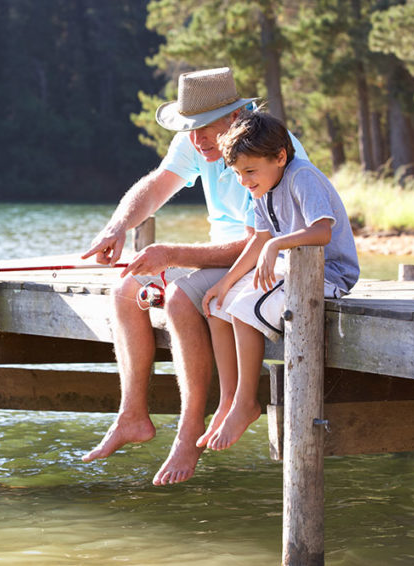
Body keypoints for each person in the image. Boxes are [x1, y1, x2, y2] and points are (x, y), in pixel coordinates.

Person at [80, 67, 307, 485]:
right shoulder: (196, 143)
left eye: (204, 128)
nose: (196, 139)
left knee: (181, 298)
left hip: (266, 263)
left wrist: (173, 254)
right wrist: (117, 227)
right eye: (190, 128)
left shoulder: (270, 148)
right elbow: (154, 186)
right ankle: (132, 416)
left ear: (235, 117)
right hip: (220, 259)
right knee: (125, 293)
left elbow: (266, 239)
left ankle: (188, 435)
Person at [198, 111, 359, 451]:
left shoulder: (302, 177)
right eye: (238, 173)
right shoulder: (262, 186)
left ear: (280, 156)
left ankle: (246, 403)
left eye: (250, 171)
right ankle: (231, 397)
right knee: (219, 304)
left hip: (328, 274)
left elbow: (322, 230)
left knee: (243, 309)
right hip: (293, 271)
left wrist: (277, 244)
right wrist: (226, 281)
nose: (244, 181)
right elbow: (259, 238)